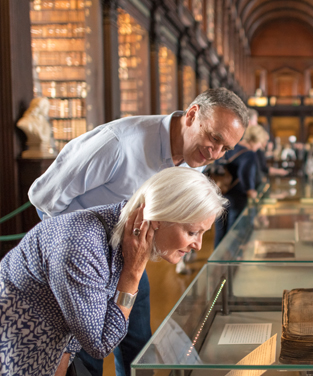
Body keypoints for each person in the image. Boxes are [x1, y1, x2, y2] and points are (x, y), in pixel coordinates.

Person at [27, 87, 248, 376]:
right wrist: (77, 254)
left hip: (132, 259)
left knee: (139, 350)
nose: (215, 153)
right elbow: (43, 197)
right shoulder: (118, 143)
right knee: (88, 362)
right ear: (193, 115)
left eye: (225, 149)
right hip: (83, 268)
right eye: (214, 138)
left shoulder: (196, 162)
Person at [0, 168, 227, 375]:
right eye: (192, 232)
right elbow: (100, 344)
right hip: (18, 350)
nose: (198, 244)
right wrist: (133, 272)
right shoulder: (82, 245)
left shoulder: (121, 230)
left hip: (53, 348)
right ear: (158, 218)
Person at [214, 125, 269, 247]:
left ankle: (217, 263)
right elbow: (245, 173)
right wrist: (251, 190)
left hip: (220, 193)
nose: (259, 147)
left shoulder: (231, 148)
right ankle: (232, 263)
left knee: (220, 231)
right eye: (260, 144)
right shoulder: (249, 154)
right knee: (234, 231)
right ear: (256, 140)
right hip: (237, 196)